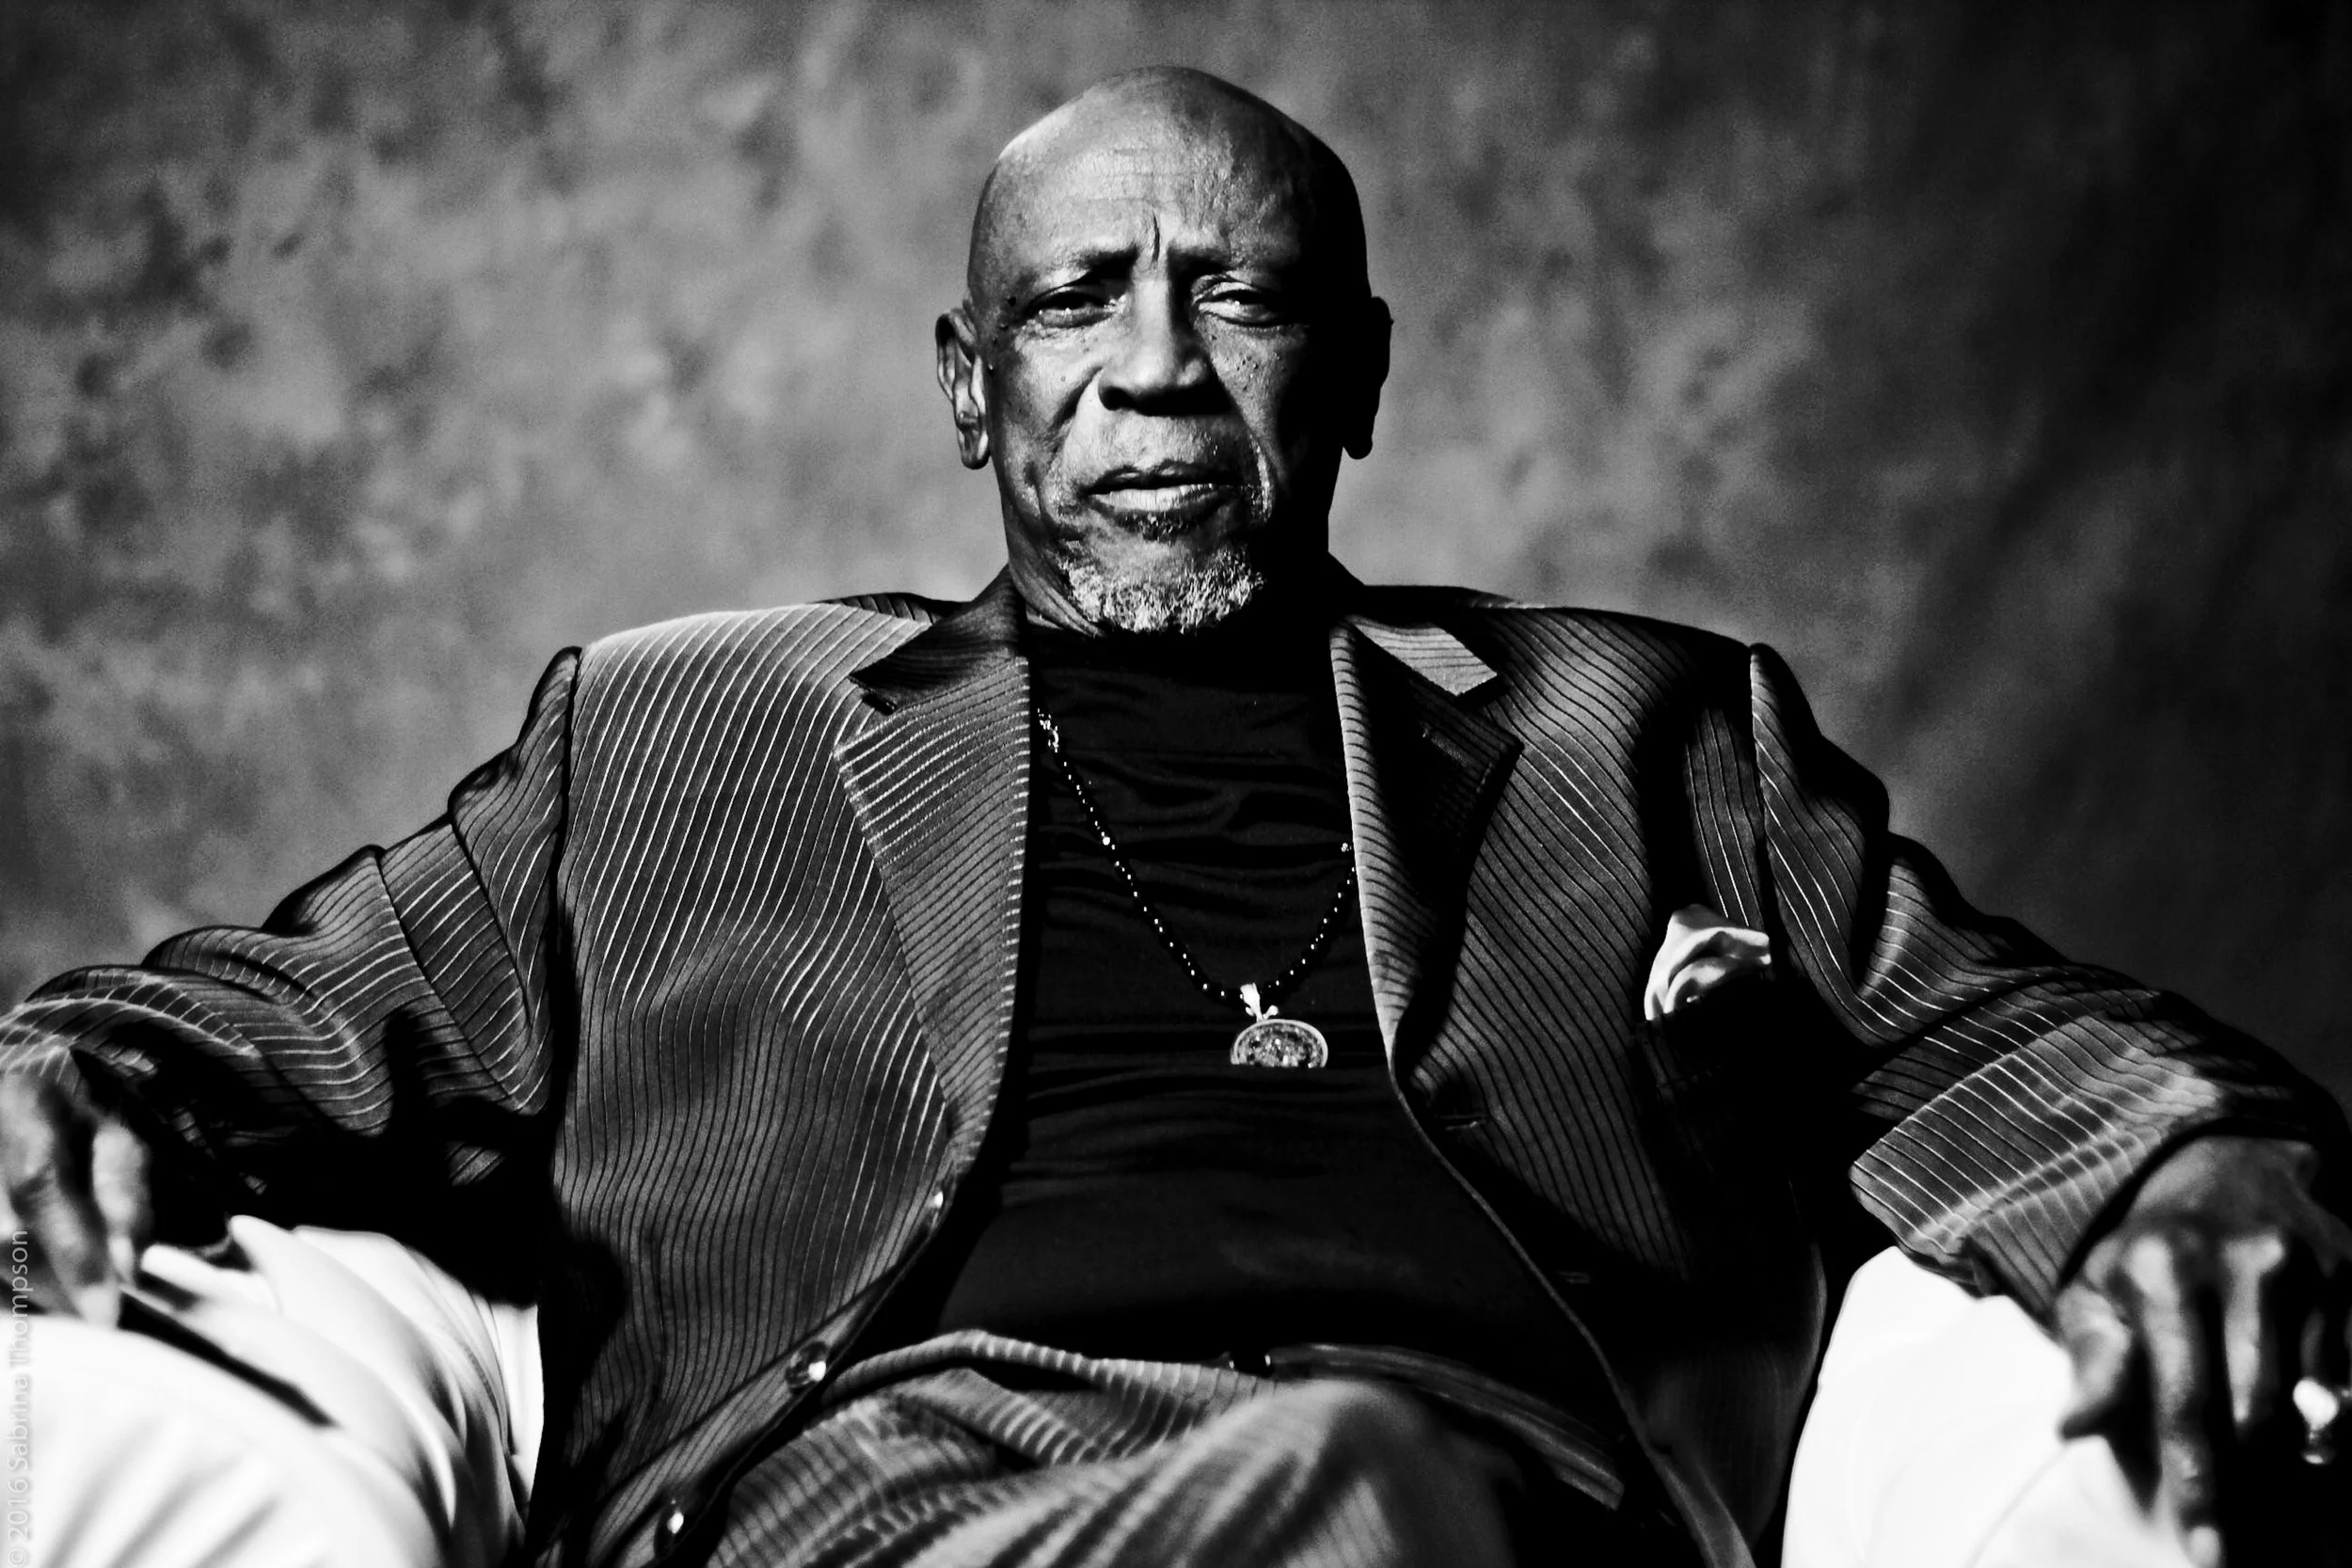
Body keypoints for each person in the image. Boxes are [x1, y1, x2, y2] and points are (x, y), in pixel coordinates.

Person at [2, 65, 2347, 1568]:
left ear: (1355, 368)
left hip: (1504, 1492)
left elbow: (1987, 1029)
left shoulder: (1633, 727)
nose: (1148, 366)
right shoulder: (675, 736)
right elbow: (275, 1011)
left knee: (1373, 1483)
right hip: (895, 1492)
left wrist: (2187, 1164)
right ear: (966, 381)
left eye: (1231, 295)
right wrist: (65, 1065)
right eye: (1071, 303)